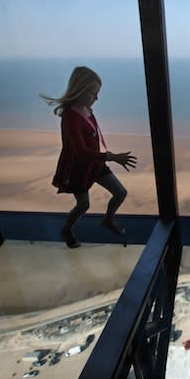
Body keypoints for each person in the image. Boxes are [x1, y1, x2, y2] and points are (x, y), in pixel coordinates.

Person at [41, 66, 137, 248]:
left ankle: (108, 219)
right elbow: (81, 152)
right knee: (84, 205)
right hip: (78, 167)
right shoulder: (70, 117)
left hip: (95, 163)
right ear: (81, 91)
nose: (96, 98)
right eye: (93, 93)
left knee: (120, 193)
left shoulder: (86, 110)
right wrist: (112, 157)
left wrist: (105, 158)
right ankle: (67, 229)